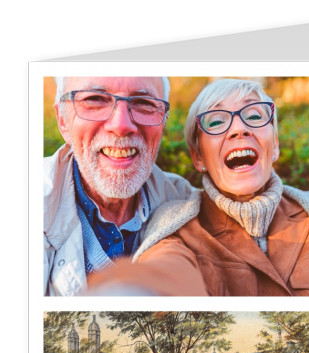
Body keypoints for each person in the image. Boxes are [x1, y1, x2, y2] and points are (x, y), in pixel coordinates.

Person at [91, 78, 309, 296]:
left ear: (274, 144)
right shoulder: (177, 229)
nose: (239, 129)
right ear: (198, 157)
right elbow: (164, 271)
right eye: (216, 121)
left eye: (255, 116)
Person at [44, 76, 198, 296]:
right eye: (95, 99)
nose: (121, 125)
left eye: (144, 103)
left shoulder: (187, 204)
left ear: (163, 121)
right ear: (62, 120)